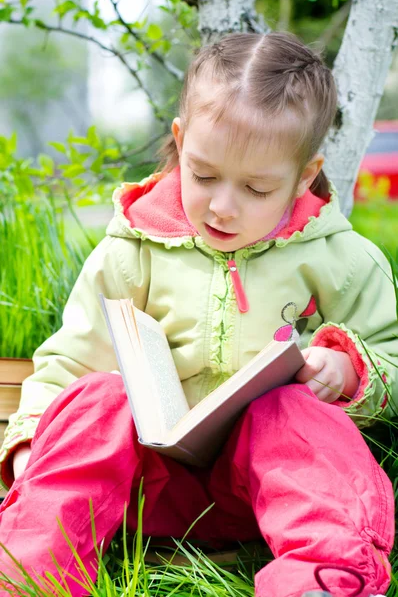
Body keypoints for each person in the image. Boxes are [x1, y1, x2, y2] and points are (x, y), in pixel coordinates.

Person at [0, 31, 396, 597]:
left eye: (257, 188)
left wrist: (351, 371)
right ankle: (28, 572)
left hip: (275, 492)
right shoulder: (134, 247)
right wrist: (29, 444)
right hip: (141, 490)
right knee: (99, 399)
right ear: (181, 143)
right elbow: (70, 360)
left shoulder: (338, 256)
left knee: (293, 411)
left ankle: (322, 577)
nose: (222, 206)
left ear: (305, 176)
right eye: (204, 175)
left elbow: (393, 357)